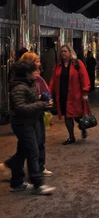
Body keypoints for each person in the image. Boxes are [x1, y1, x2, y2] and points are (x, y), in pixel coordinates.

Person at [3, 61, 56, 194]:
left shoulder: (29, 84)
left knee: (23, 152)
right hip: (22, 123)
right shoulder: (19, 87)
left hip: (30, 121)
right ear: (27, 73)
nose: (37, 73)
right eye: (34, 71)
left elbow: (29, 101)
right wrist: (41, 104)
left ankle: (16, 182)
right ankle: (38, 183)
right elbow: (21, 107)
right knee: (33, 151)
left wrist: (41, 100)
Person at [49, 45, 91, 145]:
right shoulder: (58, 65)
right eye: (62, 51)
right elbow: (53, 80)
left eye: (65, 51)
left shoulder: (77, 63)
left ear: (70, 52)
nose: (63, 53)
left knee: (77, 116)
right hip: (63, 95)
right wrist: (49, 93)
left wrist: (85, 92)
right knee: (67, 116)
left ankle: (83, 127)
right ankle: (71, 136)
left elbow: (84, 77)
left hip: (75, 95)